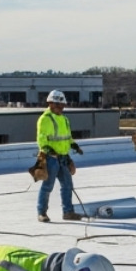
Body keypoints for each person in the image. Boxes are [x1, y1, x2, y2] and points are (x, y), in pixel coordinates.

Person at [35, 91, 82, 222]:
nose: (61, 107)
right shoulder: (45, 119)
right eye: (58, 105)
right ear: (50, 103)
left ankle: (68, 212)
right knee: (47, 186)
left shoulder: (65, 119)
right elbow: (41, 139)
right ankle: (41, 212)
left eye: (62, 105)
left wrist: (74, 146)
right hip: (51, 158)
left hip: (63, 157)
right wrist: (48, 149)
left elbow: (67, 137)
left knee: (67, 185)